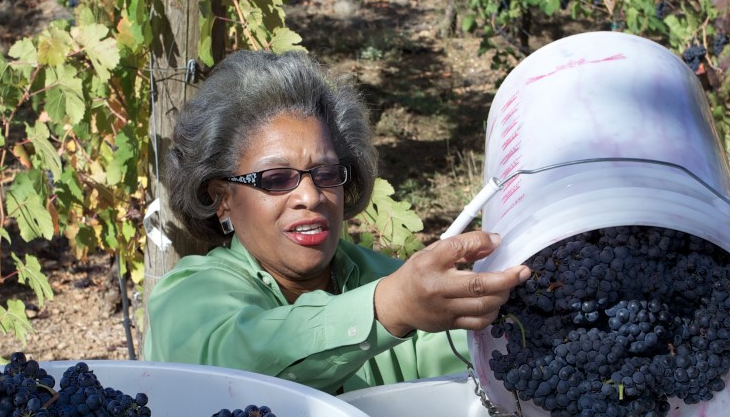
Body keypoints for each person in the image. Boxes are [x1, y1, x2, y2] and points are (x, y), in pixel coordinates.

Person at [143, 49, 531, 395]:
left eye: (326, 174)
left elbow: (463, 354)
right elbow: (235, 370)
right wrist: (387, 308)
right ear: (222, 198)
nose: (311, 196)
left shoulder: (379, 277)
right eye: (276, 179)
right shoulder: (188, 298)